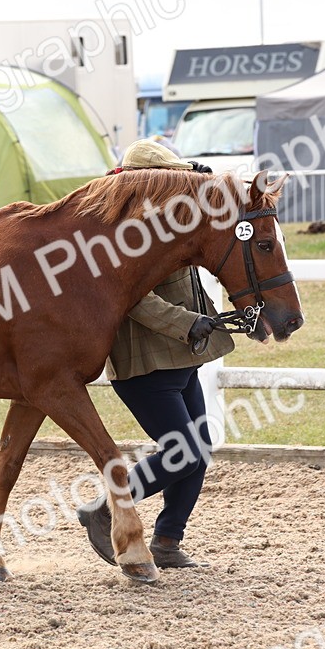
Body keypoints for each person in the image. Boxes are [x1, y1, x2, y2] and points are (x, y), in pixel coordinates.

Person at [77, 140, 235, 570]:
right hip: (143, 362)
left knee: (198, 448)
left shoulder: (168, 219)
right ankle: (106, 508)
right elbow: (135, 300)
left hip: (181, 358)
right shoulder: (123, 234)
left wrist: (206, 183)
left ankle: (167, 540)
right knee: (187, 451)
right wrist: (185, 323)